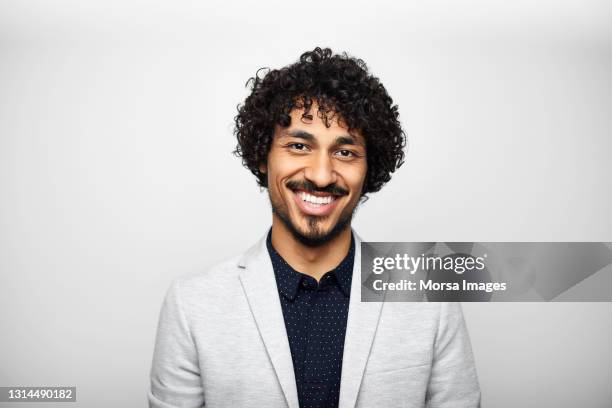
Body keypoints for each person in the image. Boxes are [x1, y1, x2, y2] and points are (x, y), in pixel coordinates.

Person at [148, 47, 481, 408]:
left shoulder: (428, 298)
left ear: (369, 168)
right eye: (298, 145)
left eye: (345, 152)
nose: (321, 175)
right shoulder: (192, 304)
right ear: (263, 156)